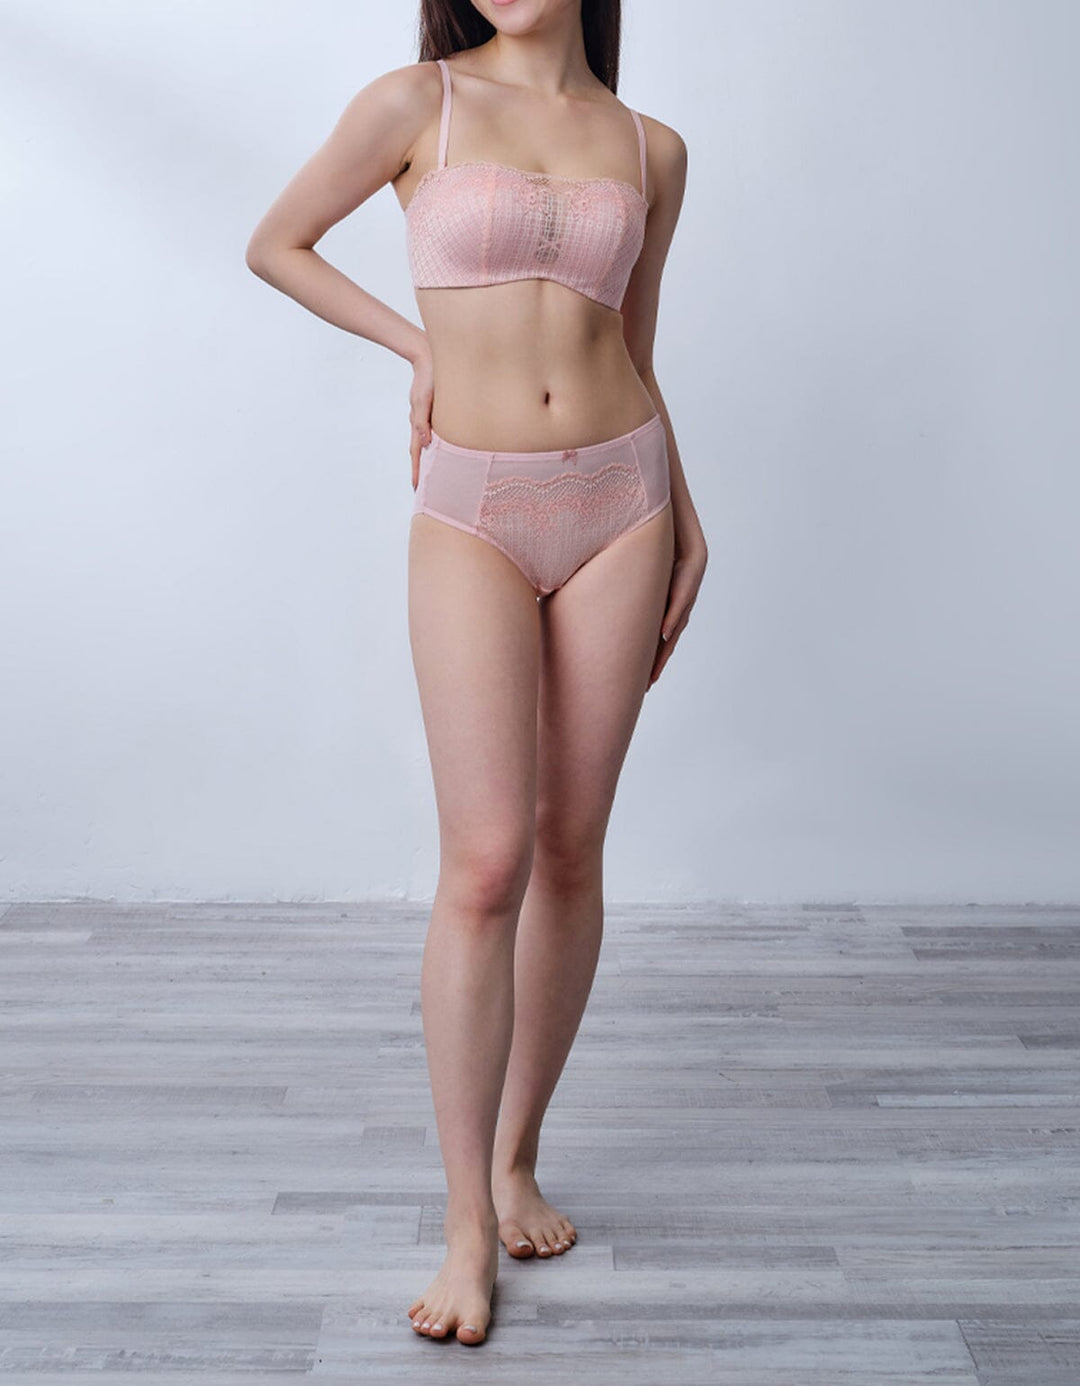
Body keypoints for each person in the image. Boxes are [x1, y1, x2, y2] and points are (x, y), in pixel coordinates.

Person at [245, 0, 707, 1348]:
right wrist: (420, 346)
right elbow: (275, 243)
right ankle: (462, 1228)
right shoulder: (418, 103)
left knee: (570, 849)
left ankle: (517, 1158)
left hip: (624, 499)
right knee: (487, 861)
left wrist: (688, 512)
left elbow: (637, 349)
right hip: (474, 507)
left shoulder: (653, 146)